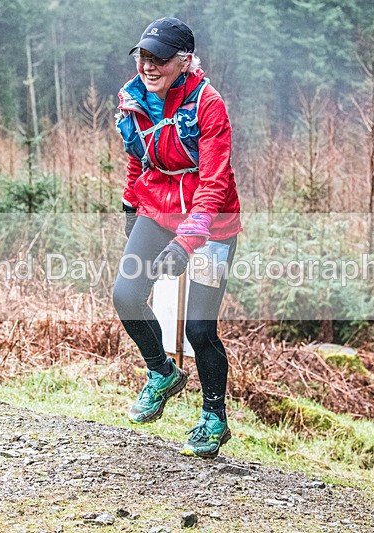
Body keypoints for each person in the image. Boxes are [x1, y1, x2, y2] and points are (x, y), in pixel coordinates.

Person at [112, 17, 242, 459]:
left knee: (200, 329)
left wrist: (188, 240)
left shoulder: (209, 105)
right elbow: (137, 158)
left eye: (161, 58)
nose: (150, 66)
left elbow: (216, 182)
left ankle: (213, 418)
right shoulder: (132, 98)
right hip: (157, 211)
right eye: (144, 56)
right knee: (126, 295)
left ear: (184, 61)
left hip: (213, 223)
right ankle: (161, 372)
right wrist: (132, 208)